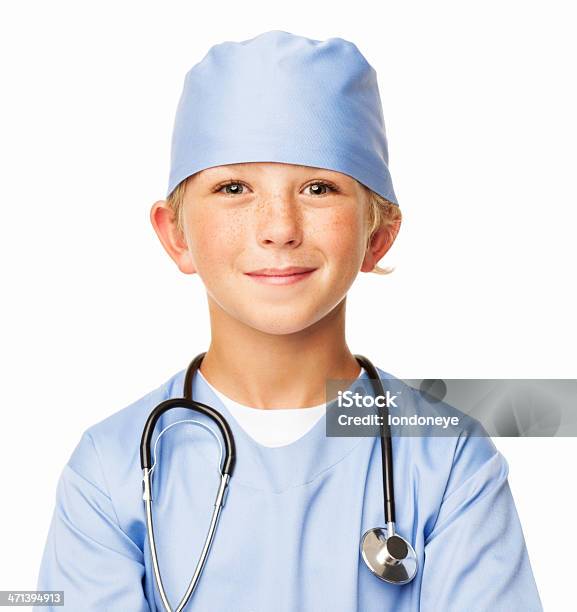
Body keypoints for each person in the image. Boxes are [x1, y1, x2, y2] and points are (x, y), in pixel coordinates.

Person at [35, 30, 543, 611]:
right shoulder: (109, 469)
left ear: (376, 236)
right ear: (176, 235)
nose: (279, 227)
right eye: (233, 188)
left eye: (319, 188)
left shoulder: (448, 460)